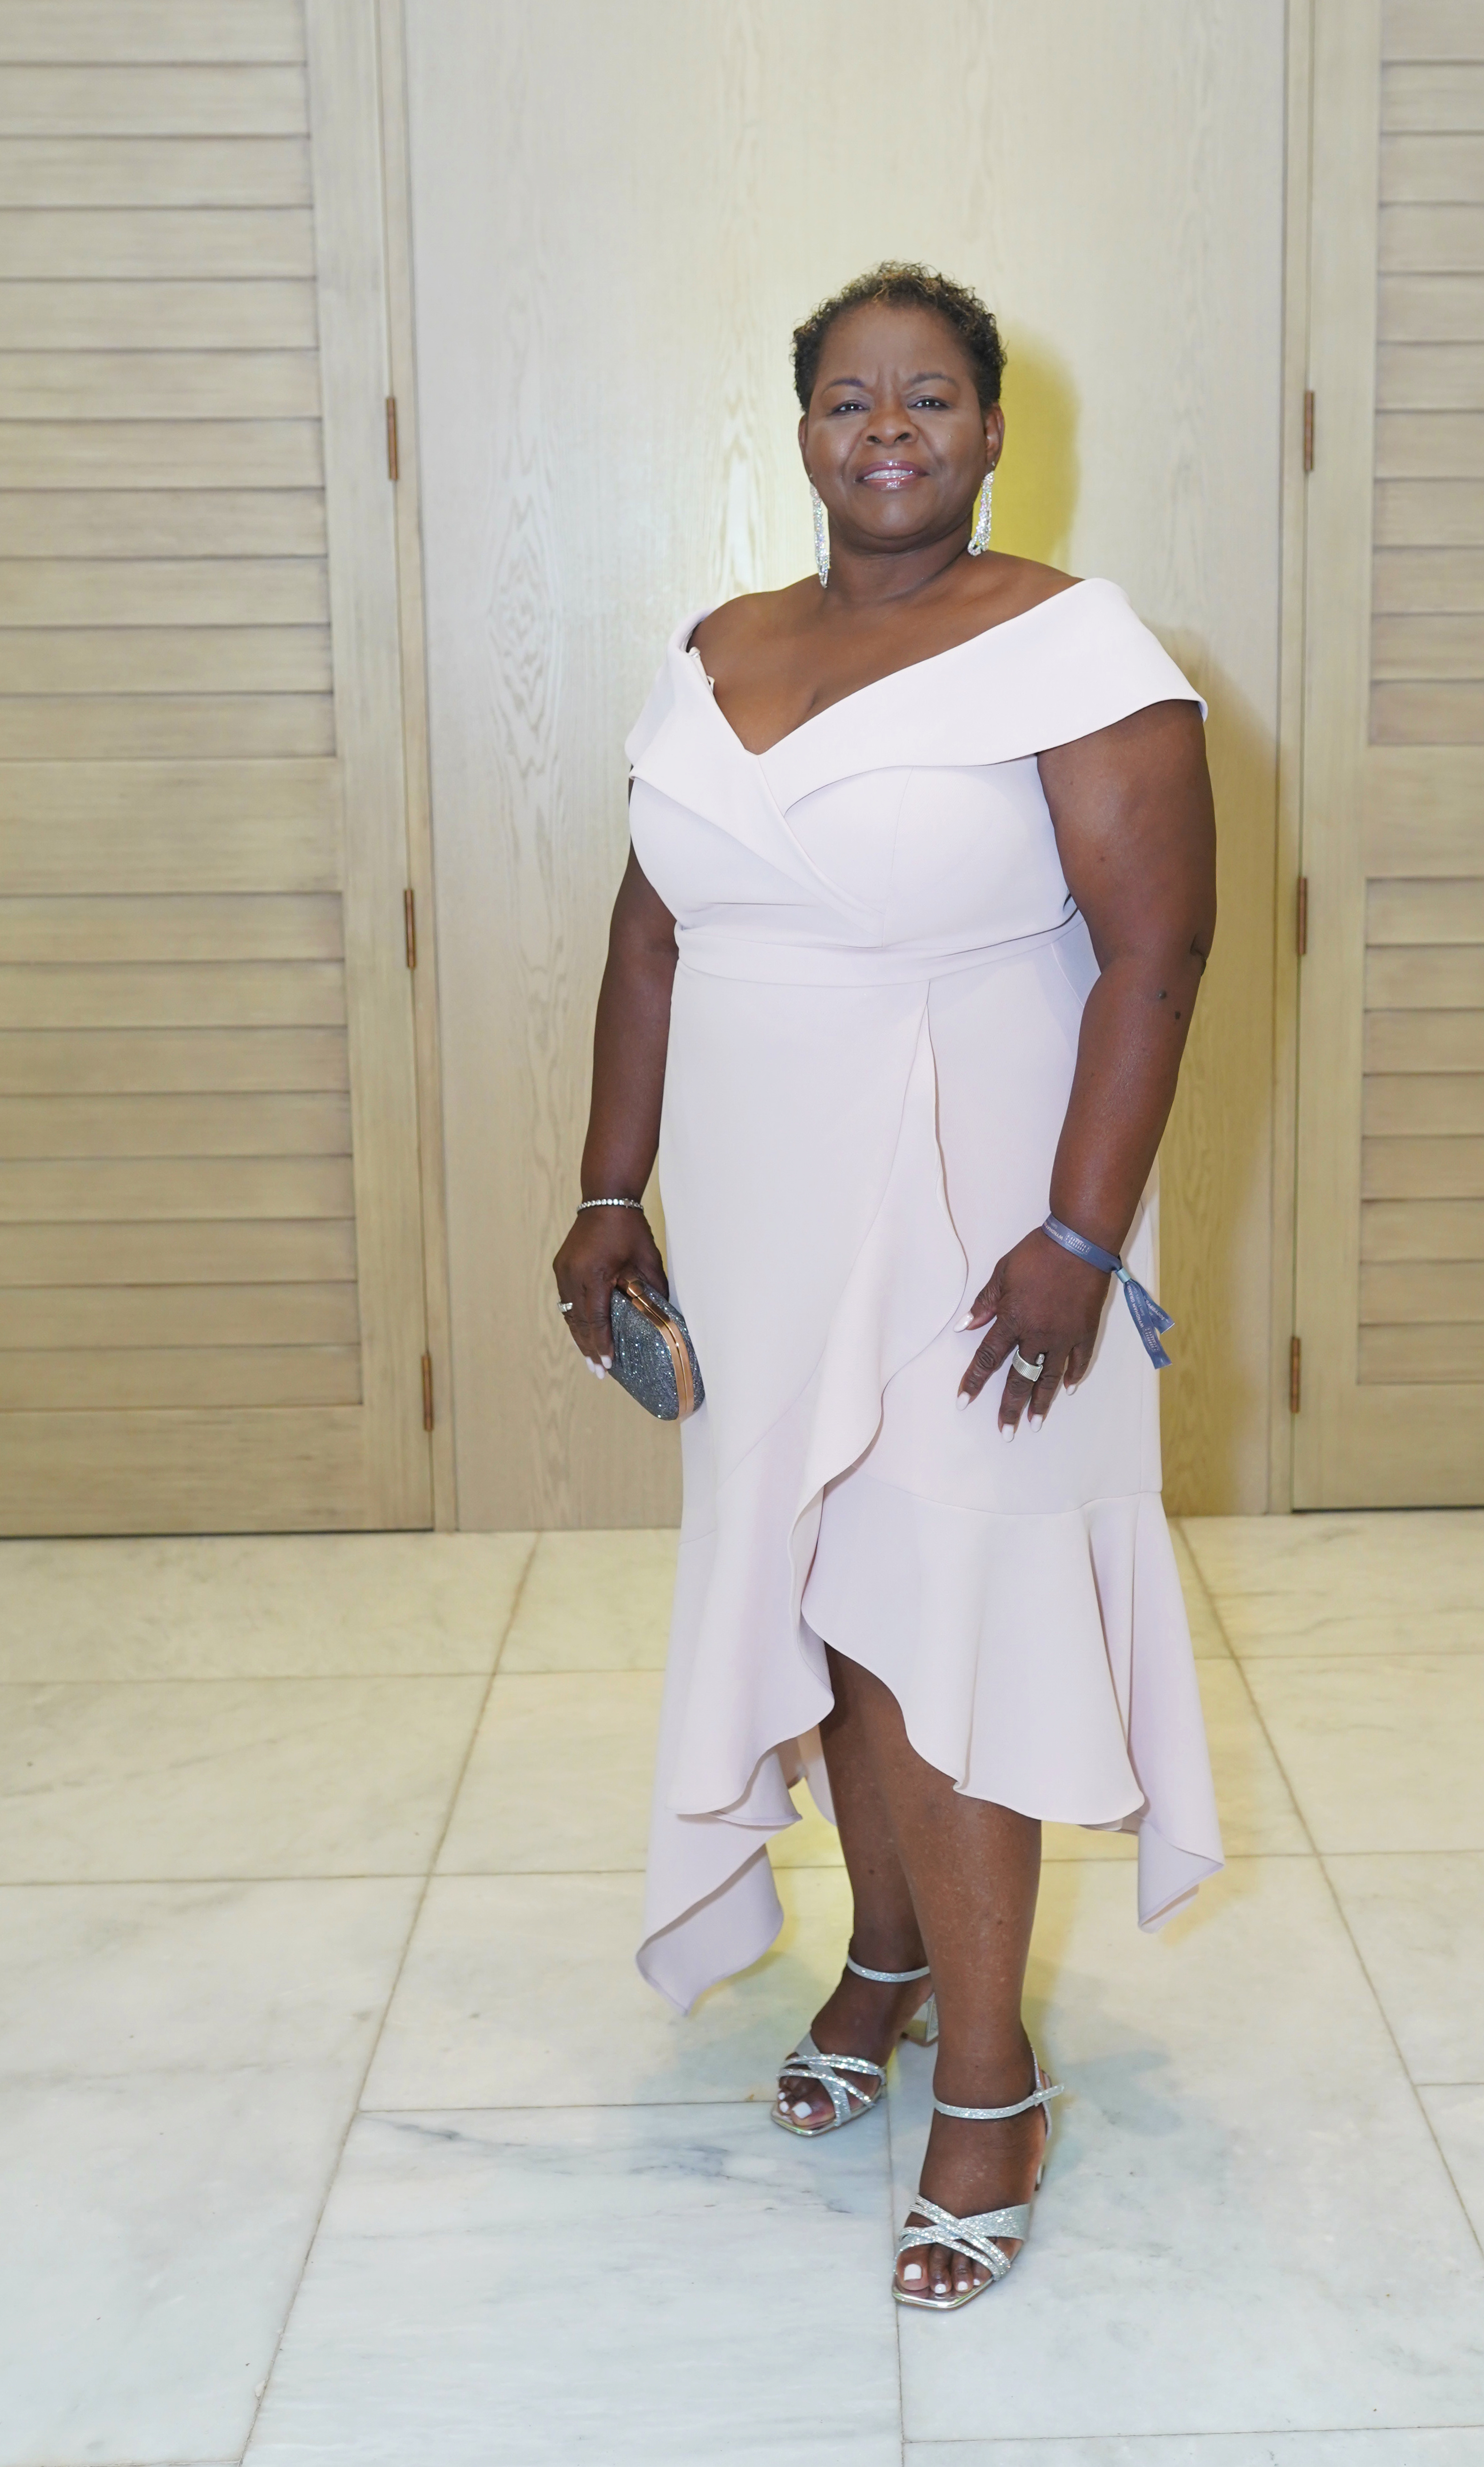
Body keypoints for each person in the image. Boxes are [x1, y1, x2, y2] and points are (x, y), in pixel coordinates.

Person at [553, 263, 1222, 2309]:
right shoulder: (718, 649)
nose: (890, 427)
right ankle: (892, 1956)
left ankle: (993, 2084)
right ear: (804, 433)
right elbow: (650, 935)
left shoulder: (1077, 649)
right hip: (766, 1211)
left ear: (996, 428)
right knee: (838, 1595)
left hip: (990, 1223)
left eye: (931, 393)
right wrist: (608, 1189)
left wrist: (1081, 1240)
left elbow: (1157, 953)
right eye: (850, 397)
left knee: (963, 1618)